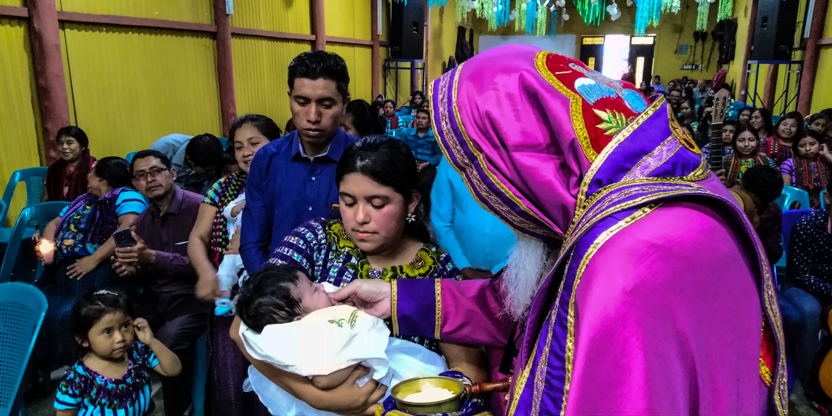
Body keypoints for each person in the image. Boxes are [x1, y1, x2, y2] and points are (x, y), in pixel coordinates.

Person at [327, 45, 786, 416]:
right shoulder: (633, 198)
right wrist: (396, 299)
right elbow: (524, 304)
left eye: (483, 177)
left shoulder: (625, 260)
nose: (487, 201)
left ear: (524, 165)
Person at [229, 136, 489, 415]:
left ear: (411, 202)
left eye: (377, 204)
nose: (360, 217)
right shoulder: (314, 241)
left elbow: (468, 368)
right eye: (348, 202)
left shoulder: (438, 271)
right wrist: (317, 398)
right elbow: (241, 329)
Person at [235, 264, 454, 416]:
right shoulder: (308, 339)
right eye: (314, 290)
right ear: (301, 321)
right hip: (365, 387)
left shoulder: (318, 307)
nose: (322, 286)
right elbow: (322, 381)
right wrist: (353, 363)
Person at [189, 114, 281, 416]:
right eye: (239, 146)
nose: (246, 152)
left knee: (275, 373)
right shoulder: (223, 187)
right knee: (230, 373)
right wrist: (206, 273)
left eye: (255, 143)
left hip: (275, 293)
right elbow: (197, 237)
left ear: (276, 144)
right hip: (227, 294)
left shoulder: (286, 182)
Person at [109, 149, 209, 416]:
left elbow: (212, 266)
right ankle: (137, 402)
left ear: (172, 173)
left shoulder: (200, 208)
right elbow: (146, 273)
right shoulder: (144, 221)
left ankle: (181, 409)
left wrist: (153, 257)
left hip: (194, 297)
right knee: (114, 328)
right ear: (135, 184)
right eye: (141, 175)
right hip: (156, 297)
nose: (150, 179)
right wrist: (131, 269)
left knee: (166, 341)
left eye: (155, 171)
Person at [241, 51, 358, 274]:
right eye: (302, 102)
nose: (312, 116)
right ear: (290, 98)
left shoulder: (365, 161)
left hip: (347, 290)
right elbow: (252, 241)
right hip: (277, 285)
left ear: (344, 104)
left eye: (326, 104)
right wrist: (269, 287)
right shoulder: (266, 160)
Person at [33, 157, 147, 369]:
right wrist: (47, 244)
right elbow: (54, 223)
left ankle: (86, 370)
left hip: (102, 270)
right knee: (36, 309)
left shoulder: (126, 195)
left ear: (102, 178)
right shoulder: (83, 200)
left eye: (91, 173)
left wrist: (94, 259)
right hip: (66, 270)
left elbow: (129, 226)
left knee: (71, 315)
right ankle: (38, 368)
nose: (87, 176)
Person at [54, 288, 181, 416]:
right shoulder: (77, 378)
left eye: (125, 326)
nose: (120, 337)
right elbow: (65, 412)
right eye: (108, 331)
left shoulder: (139, 353)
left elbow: (173, 370)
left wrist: (152, 341)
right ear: (83, 339)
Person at [783, 181, 832, 401]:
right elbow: (800, 274)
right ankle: (811, 381)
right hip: (803, 286)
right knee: (810, 313)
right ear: (828, 198)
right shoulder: (807, 225)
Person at [729, 165, 784, 264]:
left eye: (758, 205)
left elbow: (774, 256)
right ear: (738, 184)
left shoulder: (771, 212)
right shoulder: (720, 199)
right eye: (750, 201)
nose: (752, 207)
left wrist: (757, 232)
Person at [393, 108, 442, 215]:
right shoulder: (407, 134)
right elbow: (402, 149)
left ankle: (426, 211)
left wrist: (426, 164)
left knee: (425, 182)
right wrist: (410, 162)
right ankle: (404, 210)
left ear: (429, 122)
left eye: (424, 118)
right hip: (410, 163)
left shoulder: (434, 136)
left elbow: (439, 155)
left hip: (427, 165)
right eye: (418, 118)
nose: (420, 120)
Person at [150, 133, 225, 194]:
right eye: (208, 170)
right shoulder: (161, 151)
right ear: (190, 160)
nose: (213, 172)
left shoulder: (219, 154)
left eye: (216, 169)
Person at [780, 131, 832, 209]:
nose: (808, 149)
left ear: (820, 145)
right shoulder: (789, 164)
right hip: (799, 208)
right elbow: (787, 191)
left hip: (828, 206)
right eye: (802, 146)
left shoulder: (827, 161)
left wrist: (827, 154)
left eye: (812, 144)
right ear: (796, 148)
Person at [44, 126, 96, 203]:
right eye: (61, 143)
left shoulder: (93, 168)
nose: (64, 147)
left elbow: (94, 199)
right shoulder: (54, 168)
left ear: (83, 146)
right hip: (57, 210)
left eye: (69, 143)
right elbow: (45, 198)